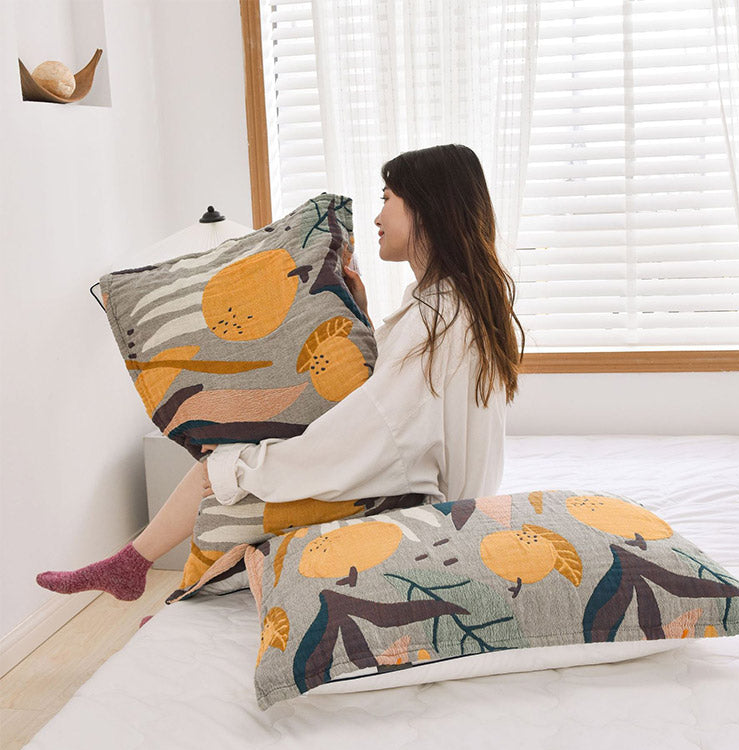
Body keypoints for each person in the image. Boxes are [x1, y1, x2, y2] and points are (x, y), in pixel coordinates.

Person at [36, 143, 526, 602]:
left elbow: (379, 434)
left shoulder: (434, 320)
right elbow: (403, 402)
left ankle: (148, 573)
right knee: (234, 465)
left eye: (387, 199)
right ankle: (139, 568)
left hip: (428, 515)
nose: (378, 217)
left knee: (226, 470)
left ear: (427, 208)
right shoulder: (452, 307)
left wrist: (249, 463)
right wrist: (363, 314)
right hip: (448, 505)